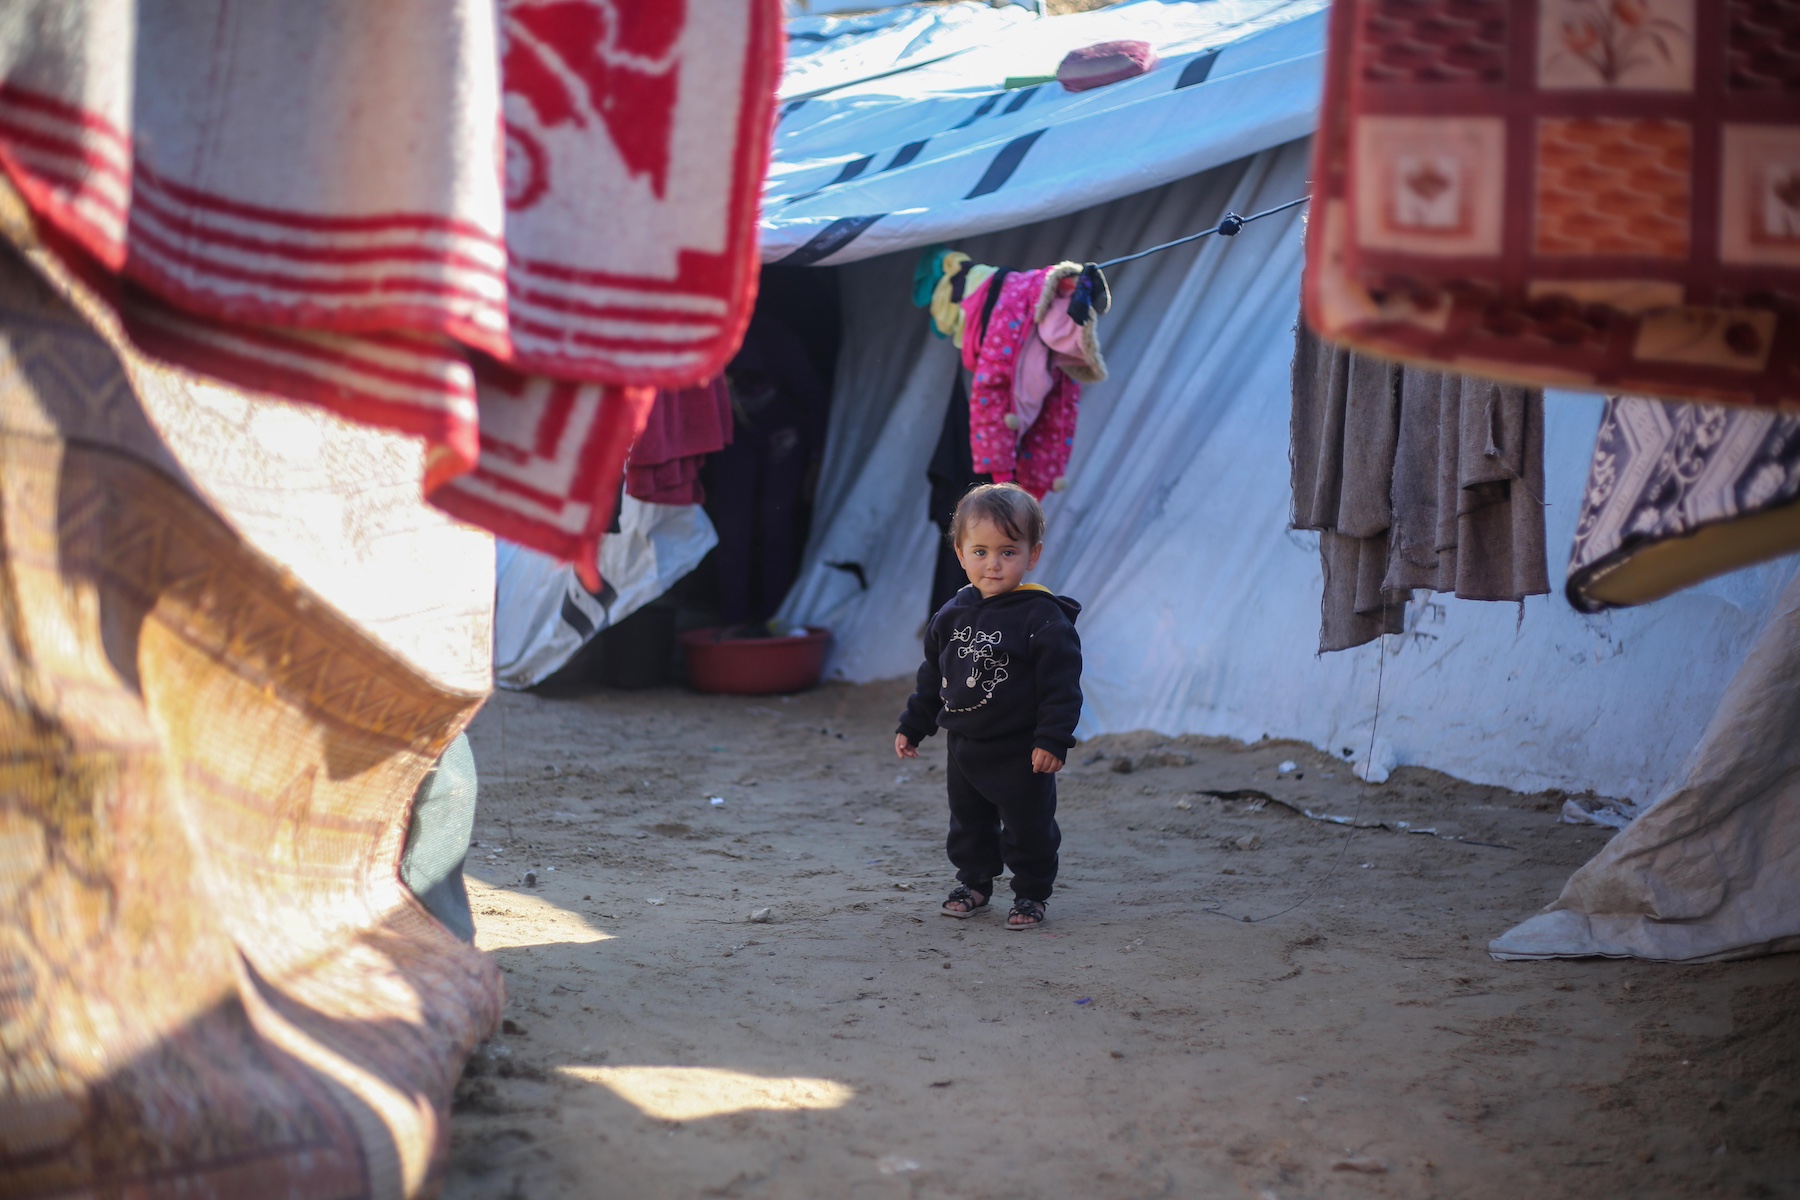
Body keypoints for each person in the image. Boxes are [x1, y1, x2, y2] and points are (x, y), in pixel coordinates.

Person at [894, 483, 1083, 930]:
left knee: (1028, 826)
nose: (993, 564)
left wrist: (1052, 739)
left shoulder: (1043, 619)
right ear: (960, 554)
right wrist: (913, 724)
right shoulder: (950, 615)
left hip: (1021, 751)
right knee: (968, 823)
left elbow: (1062, 687)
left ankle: (1031, 893)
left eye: (1007, 551)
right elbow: (932, 677)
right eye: (980, 551)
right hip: (964, 744)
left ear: (1032, 555)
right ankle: (975, 884)